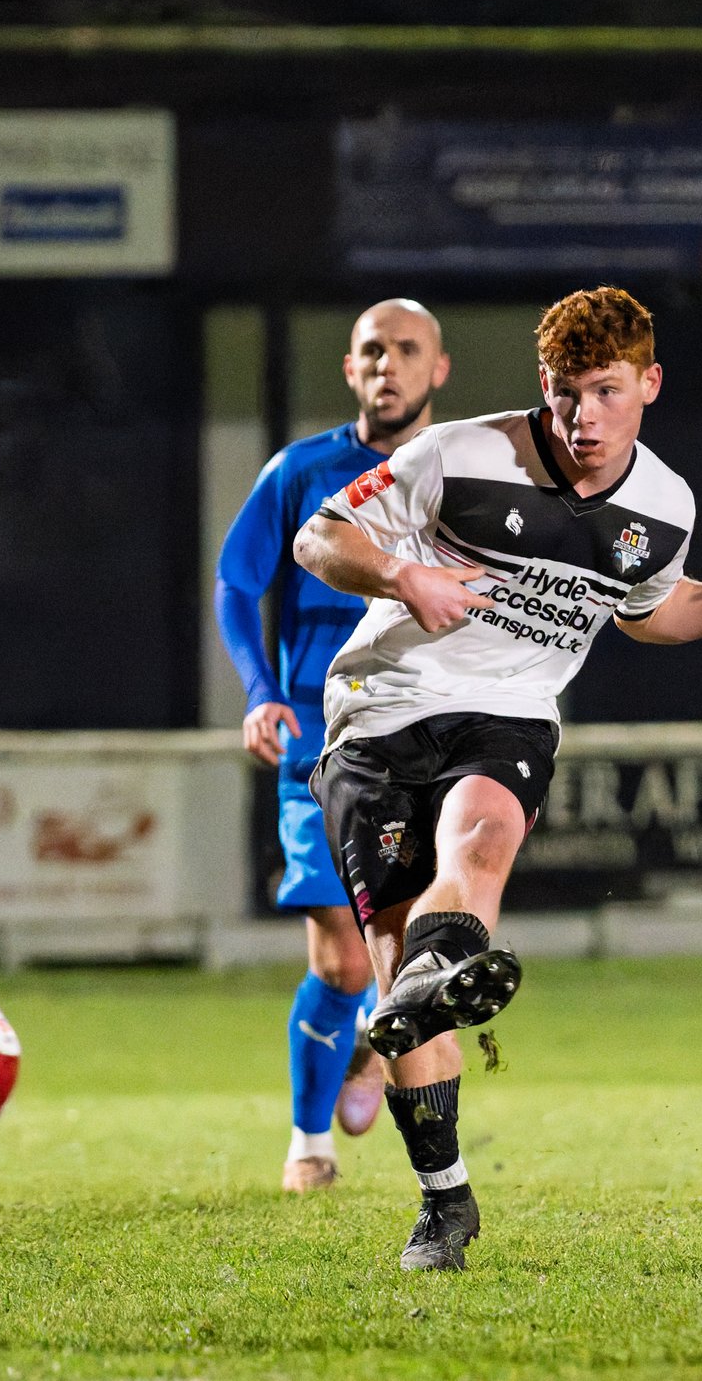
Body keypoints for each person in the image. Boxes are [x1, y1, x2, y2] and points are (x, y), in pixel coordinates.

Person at [294, 286, 702, 1270]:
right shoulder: (460, 457)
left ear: (647, 383)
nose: (584, 419)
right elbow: (320, 536)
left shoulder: (665, 505)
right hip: (378, 710)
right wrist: (406, 577)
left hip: (508, 711)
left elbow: (648, 611)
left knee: (480, 840)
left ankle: (437, 977)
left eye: (607, 392)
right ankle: (446, 1196)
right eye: (567, 394)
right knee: (400, 980)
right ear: (544, 385)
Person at [216, 301, 453, 1193]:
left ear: (439, 370)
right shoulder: (303, 471)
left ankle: (365, 1041)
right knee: (346, 956)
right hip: (320, 740)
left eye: (405, 350)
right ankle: (308, 1143)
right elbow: (239, 579)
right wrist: (260, 690)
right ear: (351, 371)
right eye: (370, 351)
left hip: (428, 732)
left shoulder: (456, 472)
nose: (386, 364)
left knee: (412, 943)